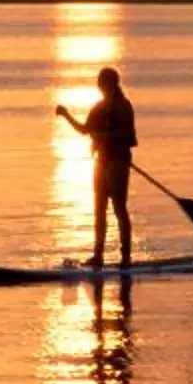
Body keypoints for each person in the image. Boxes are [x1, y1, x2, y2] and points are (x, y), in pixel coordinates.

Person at [55, 66, 138, 268]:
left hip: (118, 160)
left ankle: (125, 257)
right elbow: (85, 130)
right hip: (101, 161)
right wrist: (66, 115)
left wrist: (103, 137)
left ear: (110, 83)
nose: (100, 86)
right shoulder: (99, 107)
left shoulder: (123, 106)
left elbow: (128, 135)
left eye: (102, 82)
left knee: (119, 208)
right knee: (99, 209)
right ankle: (98, 256)